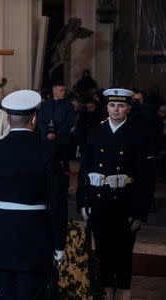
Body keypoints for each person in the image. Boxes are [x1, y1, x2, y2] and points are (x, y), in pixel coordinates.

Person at [0, 90, 67, 299]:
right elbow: (58, 201)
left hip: (1, 235)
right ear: (34, 119)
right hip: (36, 236)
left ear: (7, 119)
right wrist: (59, 243)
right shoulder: (48, 151)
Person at [76, 88, 156, 300]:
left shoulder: (138, 134)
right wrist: (83, 202)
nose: (116, 109)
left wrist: (139, 212)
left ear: (129, 108)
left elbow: (145, 178)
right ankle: (105, 293)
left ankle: (121, 294)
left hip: (125, 206)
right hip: (99, 204)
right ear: (107, 107)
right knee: (102, 254)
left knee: (122, 257)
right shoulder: (96, 132)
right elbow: (85, 169)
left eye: (121, 105)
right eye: (112, 105)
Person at [37, 81, 75, 196]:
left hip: (61, 140)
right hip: (46, 140)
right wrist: (47, 133)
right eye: (61, 90)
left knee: (64, 164)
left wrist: (56, 133)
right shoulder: (44, 105)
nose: (64, 92)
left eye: (64, 90)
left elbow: (69, 122)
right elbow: (40, 121)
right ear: (54, 91)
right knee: (46, 163)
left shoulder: (68, 105)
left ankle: (64, 187)